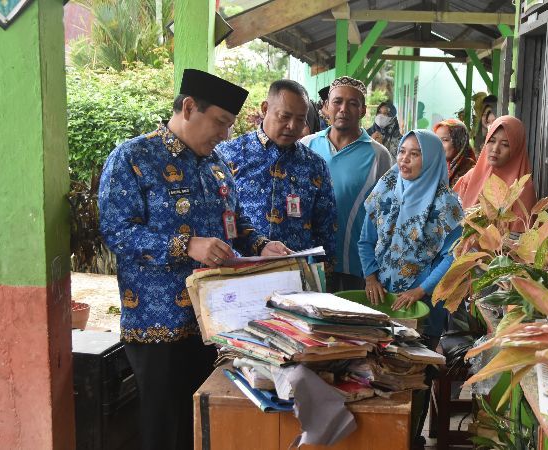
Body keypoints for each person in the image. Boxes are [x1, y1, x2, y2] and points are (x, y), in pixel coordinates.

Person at [98, 69, 290, 450]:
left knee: (206, 421)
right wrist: (186, 245)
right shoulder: (134, 157)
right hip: (159, 325)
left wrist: (260, 244)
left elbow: (236, 223)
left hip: (217, 322)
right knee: (166, 427)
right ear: (189, 107)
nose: (224, 134)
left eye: (230, 126)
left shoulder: (216, 164)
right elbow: (117, 232)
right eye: (220, 122)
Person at [358, 129, 463, 445]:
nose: (404, 159)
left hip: (422, 305)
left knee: (416, 373)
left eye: (415, 153)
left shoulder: (446, 203)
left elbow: (453, 256)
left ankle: (410, 435)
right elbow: (365, 239)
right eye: (402, 151)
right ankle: (380, 435)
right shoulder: (387, 186)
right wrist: (370, 276)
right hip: (384, 299)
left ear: (430, 159)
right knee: (377, 368)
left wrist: (422, 290)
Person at [216, 79, 336, 267]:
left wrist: (324, 273)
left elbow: (326, 228)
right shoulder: (229, 155)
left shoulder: (314, 165)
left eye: (300, 119)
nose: (292, 126)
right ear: (265, 109)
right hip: (241, 271)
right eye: (284, 116)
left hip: (294, 274)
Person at [302, 76, 394, 292]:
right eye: (337, 102)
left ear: (362, 111)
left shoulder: (378, 155)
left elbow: (387, 214)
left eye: (353, 104)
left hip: (355, 266)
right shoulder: (307, 146)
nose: (344, 109)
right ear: (326, 107)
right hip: (310, 262)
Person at [454, 115, 537, 232]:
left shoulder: (523, 189)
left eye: (505, 144)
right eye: (491, 141)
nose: (495, 149)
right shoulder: (471, 177)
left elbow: (520, 243)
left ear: (516, 149)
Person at [433, 118, 477, 187]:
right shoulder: (439, 168)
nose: (439, 144)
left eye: (445, 140)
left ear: (459, 142)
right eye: (436, 140)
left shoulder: (470, 172)